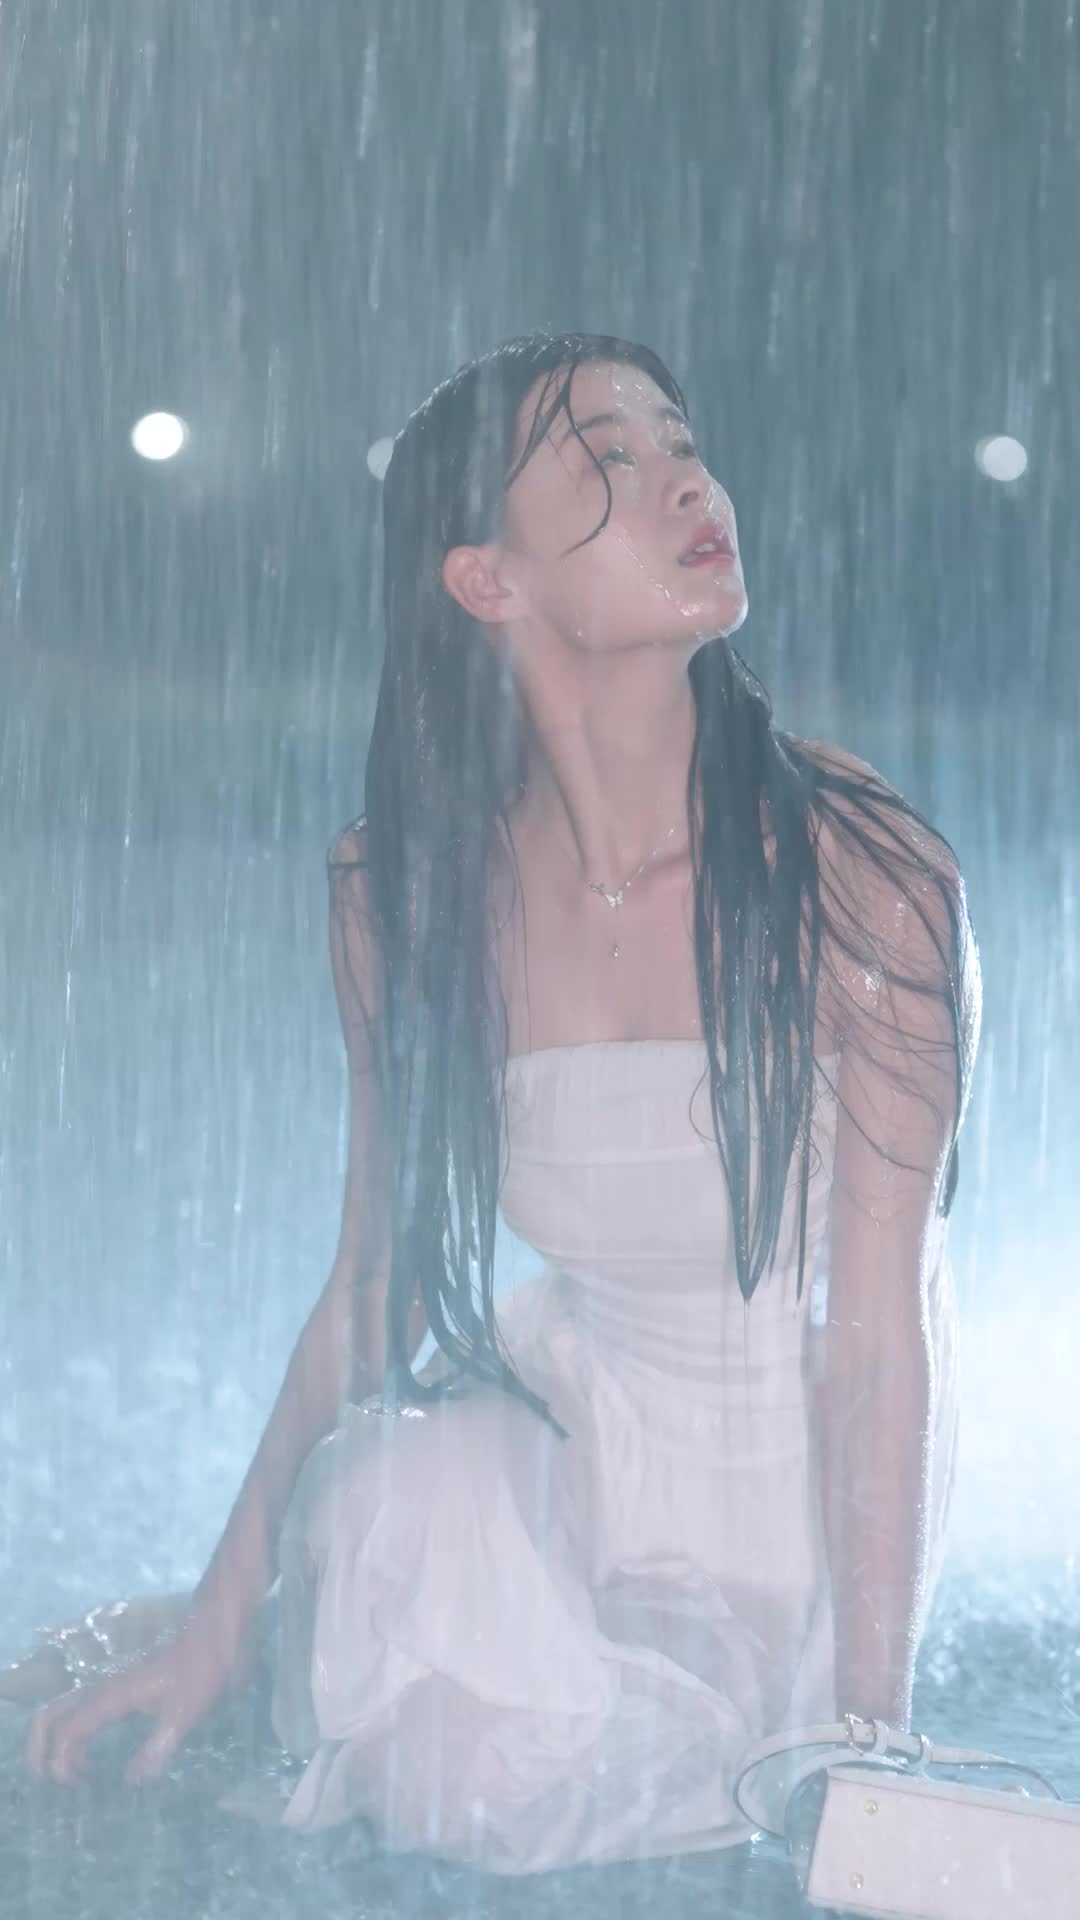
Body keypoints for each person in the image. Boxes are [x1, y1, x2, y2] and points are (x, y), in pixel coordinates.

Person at [3, 331, 982, 1873]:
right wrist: (213, 1619)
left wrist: (873, 1737)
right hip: (573, 1426)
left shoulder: (858, 875)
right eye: (611, 459)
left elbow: (875, 1343)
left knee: (496, 1778)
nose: (687, 484)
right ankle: (237, 1640)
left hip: (804, 1500)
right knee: (406, 1499)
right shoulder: (406, 892)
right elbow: (374, 1286)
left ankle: (319, 1653)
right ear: (485, 580)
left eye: (682, 442)